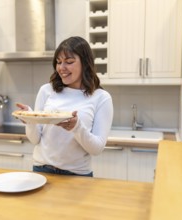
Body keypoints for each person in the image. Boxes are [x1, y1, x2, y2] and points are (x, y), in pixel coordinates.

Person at [16, 36, 113, 177]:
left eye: (69, 62)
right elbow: (35, 139)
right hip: (42, 169)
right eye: (59, 62)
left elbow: (96, 149)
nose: (62, 68)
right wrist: (30, 119)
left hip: (77, 174)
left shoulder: (101, 98)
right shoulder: (46, 90)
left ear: (85, 63)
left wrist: (76, 128)